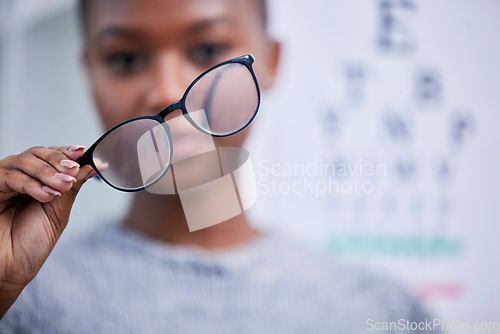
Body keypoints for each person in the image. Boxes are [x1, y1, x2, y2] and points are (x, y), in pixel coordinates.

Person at [0, 0, 437, 332]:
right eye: (126, 59)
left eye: (208, 49)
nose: (165, 92)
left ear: (270, 62)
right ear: (90, 72)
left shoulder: (382, 311)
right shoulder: (22, 298)